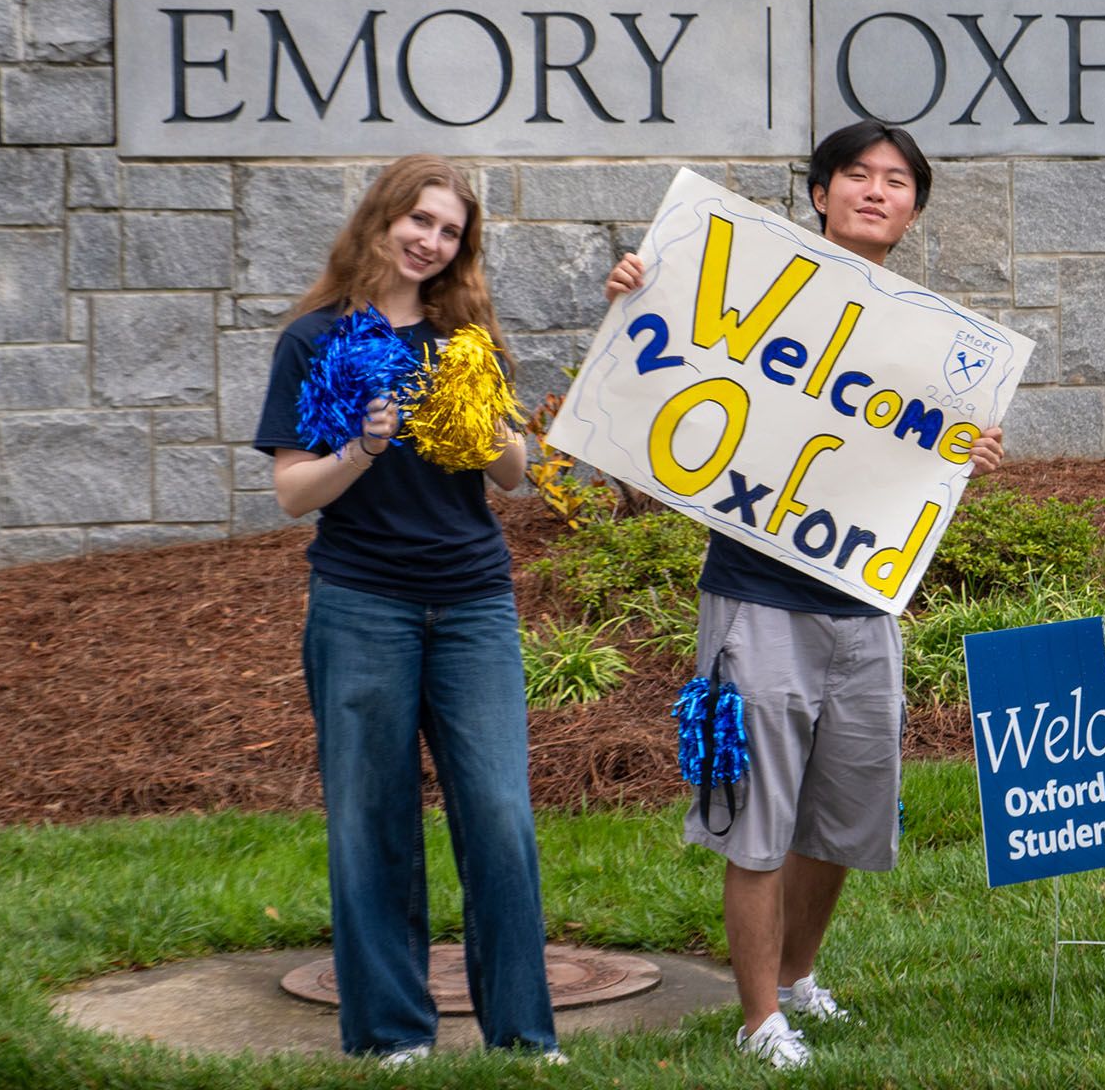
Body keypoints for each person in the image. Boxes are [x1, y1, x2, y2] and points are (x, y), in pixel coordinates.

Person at [604, 120, 1005, 1069]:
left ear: (913, 207)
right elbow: (653, 400)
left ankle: (796, 979)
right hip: (757, 599)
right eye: (857, 175)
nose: (876, 190)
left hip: (865, 605)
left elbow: (913, 470)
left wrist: (971, 459)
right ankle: (756, 1022)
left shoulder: (935, 342)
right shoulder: (742, 296)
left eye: (897, 180)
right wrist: (634, 298)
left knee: (843, 813)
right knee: (758, 819)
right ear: (820, 192)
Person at [253, 154, 558, 1066]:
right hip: (361, 602)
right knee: (370, 817)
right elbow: (292, 493)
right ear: (382, 219)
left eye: (450, 231)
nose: (430, 241)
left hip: (471, 601)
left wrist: (492, 423)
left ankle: (524, 1034)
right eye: (419, 220)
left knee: (500, 812)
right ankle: (391, 1033)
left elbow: (517, 482)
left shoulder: (466, 338)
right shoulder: (318, 340)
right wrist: (361, 447)